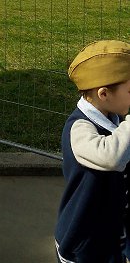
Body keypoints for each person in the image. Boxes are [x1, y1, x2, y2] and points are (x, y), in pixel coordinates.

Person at [55, 40, 130, 263]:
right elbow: (112, 156)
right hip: (82, 243)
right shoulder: (79, 128)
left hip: (112, 235)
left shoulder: (115, 120)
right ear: (104, 94)